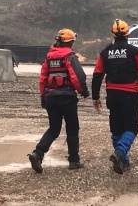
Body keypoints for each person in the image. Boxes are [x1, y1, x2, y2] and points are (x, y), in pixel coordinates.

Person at [92, 19, 138, 174]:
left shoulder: (104, 53)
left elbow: (97, 75)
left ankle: (123, 161)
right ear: (127, 34)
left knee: (117, 128)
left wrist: (95, 97)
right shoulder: (134, 52)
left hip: (112, 95)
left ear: (112, 34)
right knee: (131, 127)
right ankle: (120, 152)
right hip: (130, 94)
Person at [28, 28, 89, 173]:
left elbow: (43, 79)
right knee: (72, 128)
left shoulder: (48, 57)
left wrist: (43, 97)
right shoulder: (70, 56)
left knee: (54, 129)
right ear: (71, 42)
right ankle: (74, 160)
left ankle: (38, 153)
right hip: (67, 97)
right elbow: (77, 76)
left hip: (51, 98)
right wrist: (84, 91)